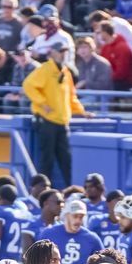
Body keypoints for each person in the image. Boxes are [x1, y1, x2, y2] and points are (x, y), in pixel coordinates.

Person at [22, 39, 90, 188]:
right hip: (47, 121)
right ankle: (43, 192)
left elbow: (71, 96)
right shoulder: (45, 69)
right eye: (60, 51)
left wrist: (81, 111)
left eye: (65, 52)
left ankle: (70, 190)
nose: (62, 54)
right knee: (47, 161)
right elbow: (28, 85)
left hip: (61, 121)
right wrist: (42, 103)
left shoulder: (65, 71)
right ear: (52, 53)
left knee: (66, 160)